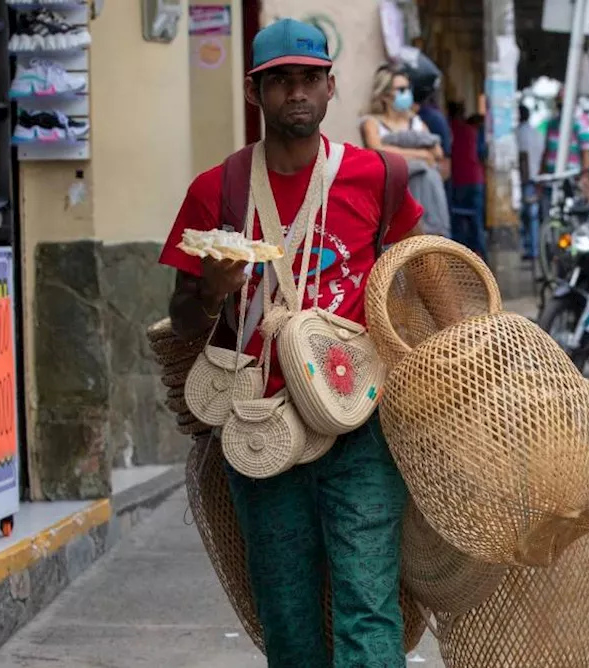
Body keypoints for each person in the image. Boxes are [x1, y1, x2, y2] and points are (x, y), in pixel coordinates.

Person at [157, 19, 424, 666]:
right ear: (256, 94)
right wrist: (214, 292)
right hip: (258, 429)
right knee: (288, 618)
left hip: (360, 422)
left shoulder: (377, 177)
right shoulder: (214, 191)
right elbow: (182, 316)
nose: (296, 92)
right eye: (280, 82)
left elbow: (415, 285)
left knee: (366, 606)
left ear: (331, 87)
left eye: (309, 78)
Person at [360, 65, 443, 168]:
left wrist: (397, 152)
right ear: (384, 95)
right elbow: (377, 150)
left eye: (409, 88)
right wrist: (421, 154)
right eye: (402, 90)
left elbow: (437, 152)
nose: (407, 93)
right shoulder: (372, 123)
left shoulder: (416, 122)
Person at [448, 101, 488, 260]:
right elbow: (482, 154)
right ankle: (481, 260)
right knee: (476, 221)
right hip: (475, 179)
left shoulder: (449, 129)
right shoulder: (471, 131)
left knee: (457, 222)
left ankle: (461, 259)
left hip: (458, 180)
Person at [540, 85, 589, 199]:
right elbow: (546, 152)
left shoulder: (582, 123)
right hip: (550, 182)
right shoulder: (552, 124)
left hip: (571, 182)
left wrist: (585, 181)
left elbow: (586, 155)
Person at [516, 105, 543, 259]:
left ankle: (531, 249)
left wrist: (523, 181)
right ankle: (534, 249)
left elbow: (523, 156)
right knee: (533, 216)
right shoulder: (537, 133)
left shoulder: (520, 132)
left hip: (527, 179)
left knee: (528, 216)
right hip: (537, 177)